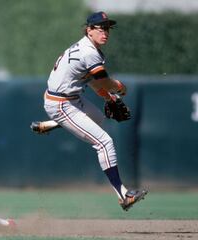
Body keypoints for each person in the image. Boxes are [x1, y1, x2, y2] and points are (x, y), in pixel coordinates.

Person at [36, 11, 147, 211]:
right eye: (100, 28)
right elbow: (104, 81)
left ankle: (53, 124)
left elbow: (95, 83)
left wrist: (108, 97)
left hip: (70, 99)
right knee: (104, 142)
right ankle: (123, 195)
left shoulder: (88, 48)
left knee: (99, 118)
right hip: (61, 103)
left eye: (108, 28)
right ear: (89, 30)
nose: (105, 32)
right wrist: (119, 87)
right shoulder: (89, 52)